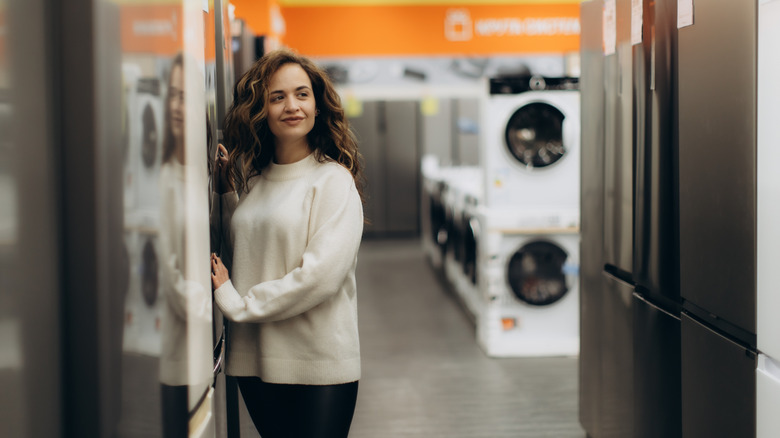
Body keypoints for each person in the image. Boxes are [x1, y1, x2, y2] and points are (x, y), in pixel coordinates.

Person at [210, 48, 365, 438]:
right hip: (256, 360)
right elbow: (249, 250)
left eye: (301, 94)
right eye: (277, 97)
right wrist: (228, 197)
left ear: (317, 105)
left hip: (318, 362)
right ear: (260, 109)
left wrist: (237, 304)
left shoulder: (332, 181)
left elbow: (320, 277)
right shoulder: (258, 183)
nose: (291, 106)